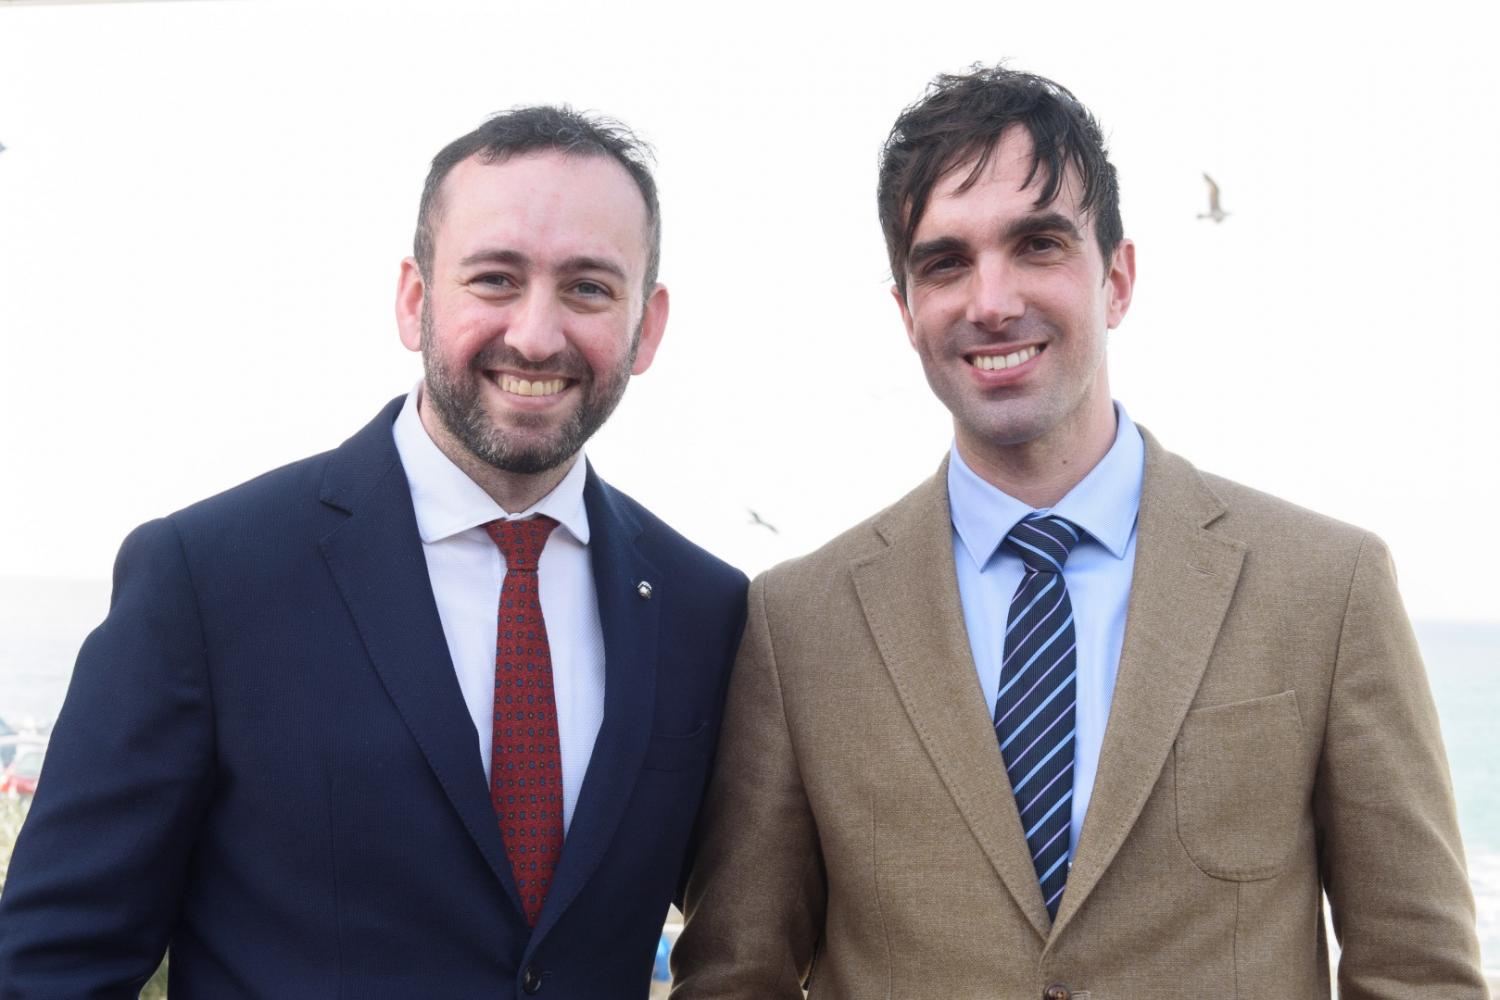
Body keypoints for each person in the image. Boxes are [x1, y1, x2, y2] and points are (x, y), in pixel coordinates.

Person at [669, 67, 1487, 999]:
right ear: (906, 313)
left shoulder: (1327, 587)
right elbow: (735, 977)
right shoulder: (797, 625)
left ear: (1117, 279)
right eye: (945, 263)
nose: (991, 300)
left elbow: (1420, 974)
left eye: (1038, 245)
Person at [0, 106, 747, 999]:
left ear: (646, 325)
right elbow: (54, 965)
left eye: (588, 288)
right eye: (495, 279)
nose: (536, 334)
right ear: (414, 299)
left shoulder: (705, 609)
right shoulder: (208, 579)